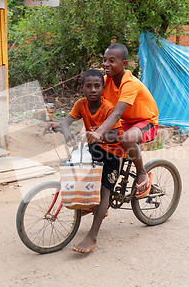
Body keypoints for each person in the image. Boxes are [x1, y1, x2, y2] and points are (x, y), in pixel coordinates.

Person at [43, 69, 125, 254]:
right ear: (82, 88)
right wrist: (67, 136)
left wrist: (98, 135)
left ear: (103, 88)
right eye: (88, 86)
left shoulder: (108, 108)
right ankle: (93, 204)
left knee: (105, 190)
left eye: (97, 86)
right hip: (95, 148)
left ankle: (92, 236)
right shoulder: (81, 104)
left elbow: (116, 134)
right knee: (82, 173)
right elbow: (65, 123)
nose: (93, 89)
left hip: (113, 150)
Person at [86, 43, 159, 199]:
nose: (106, 64)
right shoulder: (106, 82)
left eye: (111, 61)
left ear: (124, 63)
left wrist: (99, 131)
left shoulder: (129, 83)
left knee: (126, 138)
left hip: (145, 121)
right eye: (104, 60)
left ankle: (142, 173)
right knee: (99, 142)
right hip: (126, 121)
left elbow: (117, 113)